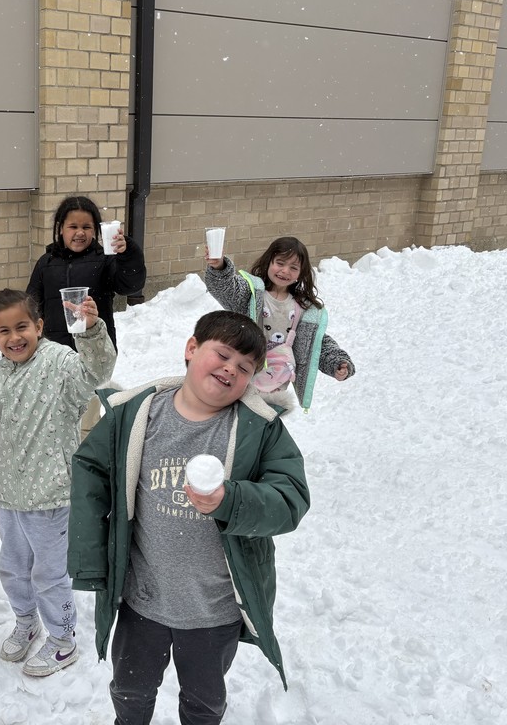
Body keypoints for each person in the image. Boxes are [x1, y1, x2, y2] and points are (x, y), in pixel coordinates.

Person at [67, 310, 310, 724]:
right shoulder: (137, 414)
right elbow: (90, 472)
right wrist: (92, 563)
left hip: (213, 612)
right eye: (223, 355)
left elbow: (290, 499)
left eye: (245, 367)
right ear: (192, 349)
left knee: (204, 703)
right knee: (129, 692)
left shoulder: (258, 429)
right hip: (141, 603)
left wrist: (230, 501)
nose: (231, 369)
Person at [0, 288, 116, 677]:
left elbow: (96, 371)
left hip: (52, 496)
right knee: (13, 569)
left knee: (50, 575)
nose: (14, 337)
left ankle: (62, 639)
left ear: (39, 326)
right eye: (3, 331)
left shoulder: (59, 363)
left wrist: (89, 332)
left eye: (22, 326)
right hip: (9, 496)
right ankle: (27, 621)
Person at [204, 235, 354, 412]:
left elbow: (315, 343)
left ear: (301, 273)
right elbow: (227, 288)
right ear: (269, 262)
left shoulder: (302, 308)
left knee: (258, 431)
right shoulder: (252, 293)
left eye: (293, 267)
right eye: (280, 263)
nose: (285, 271)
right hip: (240, 379)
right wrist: (220, 266)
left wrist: (336, 362)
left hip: (273, 390)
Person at [26, 195, 146, 351]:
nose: (80, 232)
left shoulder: (105, 260)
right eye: (73, 227)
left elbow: (130, 285)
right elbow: (31, 307)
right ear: (61, 228)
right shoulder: (46, 263)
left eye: (86, 227)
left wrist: (128, 253)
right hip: (56, 352)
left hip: (96, 350)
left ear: (95, 229)